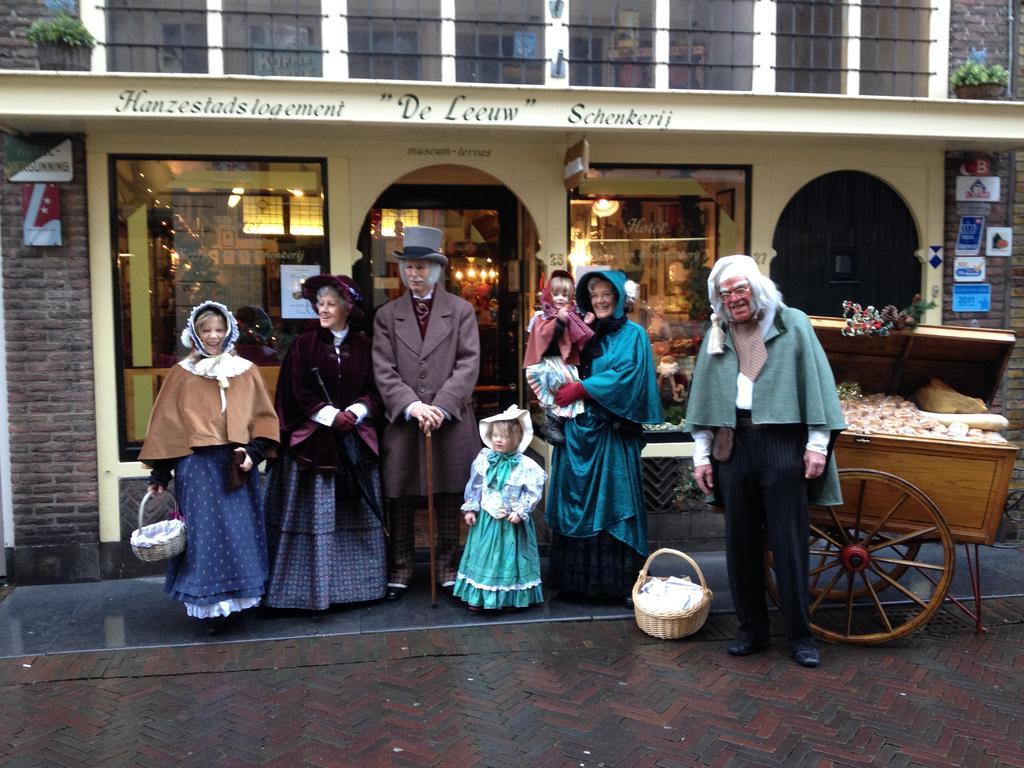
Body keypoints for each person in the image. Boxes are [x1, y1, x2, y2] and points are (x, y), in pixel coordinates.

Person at [684, 254, 846, 668]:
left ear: (756, 287)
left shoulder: (793, 324)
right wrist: (701, 455)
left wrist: (817, 445)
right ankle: (751, 630)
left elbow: (817, 385)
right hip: (733, 445)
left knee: (790, 543)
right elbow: (703, 396)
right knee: (739, 543)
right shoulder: (717, 332)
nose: (735, 298)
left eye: (741, 289)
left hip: (782, 443)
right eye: (726, 293)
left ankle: (800, 635)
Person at [139, 301, 279, 631]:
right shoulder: (181, 374)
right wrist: (161, 472)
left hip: (235, 464)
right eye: (206, 330)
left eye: (219, 330)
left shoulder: (246, 371)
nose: (213, 336)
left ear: (229, 331)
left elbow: (263, 417)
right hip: (196, 468)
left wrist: (255, 452)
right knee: (204, 537)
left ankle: (241, 599)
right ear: (195, 334)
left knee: (240, 532)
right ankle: (212, 605)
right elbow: (167, 426)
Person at [262, 274, 386, 609]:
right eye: (320, 303)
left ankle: (361, 588)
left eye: (331, 303)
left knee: (354, 511)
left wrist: (358, 411)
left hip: (355, 443)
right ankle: (307, 591)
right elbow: (294, 390)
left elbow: (378, 389)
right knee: (315, 515)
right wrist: (329, 415)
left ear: (347, 308)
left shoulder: (364, 346)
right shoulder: (304, 345)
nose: (323, 309)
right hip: (314, 443)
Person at [372, 225, 482, 601]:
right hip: (405, 420)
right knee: (400, 493)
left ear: (436, 270)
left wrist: (440, 405)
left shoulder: (462, 311)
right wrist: (412, 405)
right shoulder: (387, 315)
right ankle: (400, 566)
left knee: (451, 492)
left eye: (421, 267)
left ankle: (448, 565)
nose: (414, 274)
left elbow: (469, 363)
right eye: (409, 267)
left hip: (449, 419)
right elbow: (382, 368)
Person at [545, 269, 661, 605]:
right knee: (574, 502)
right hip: (578, 434)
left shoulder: (635, 335)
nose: (600, 300)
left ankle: (620, 583)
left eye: (606, 293)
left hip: (612, 436)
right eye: (594, 294)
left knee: (615, 502)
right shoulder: (580, 333)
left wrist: (583, 388)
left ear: (619, 296)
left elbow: (629, 376)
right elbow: (556, 365)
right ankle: (576, 584)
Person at [453, 406, 547, 612]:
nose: (498, 440)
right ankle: (479, 596)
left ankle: (510, 597)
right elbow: (476, 485)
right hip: (487, 520)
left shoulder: (526, 466)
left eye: (503, 436)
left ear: (517, 438)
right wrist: (471, 508)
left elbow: (532, 492)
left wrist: (521, 511)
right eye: (495, 435)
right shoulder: (484, 459)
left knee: (510, 559)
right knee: (484, 556)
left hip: (511, 522)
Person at [523, 269, 595, 444]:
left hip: (565, 363)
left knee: (566, 393)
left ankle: (557, 422)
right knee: (554, 394)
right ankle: (551, 422)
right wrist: (559, 322)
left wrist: (584, 324)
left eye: (565, 294)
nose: (560, 298)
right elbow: (544, 336)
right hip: (547, 363)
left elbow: (577, 339)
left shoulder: (572, 315)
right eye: (556, 294)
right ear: (549, 294)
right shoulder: (542, 316)